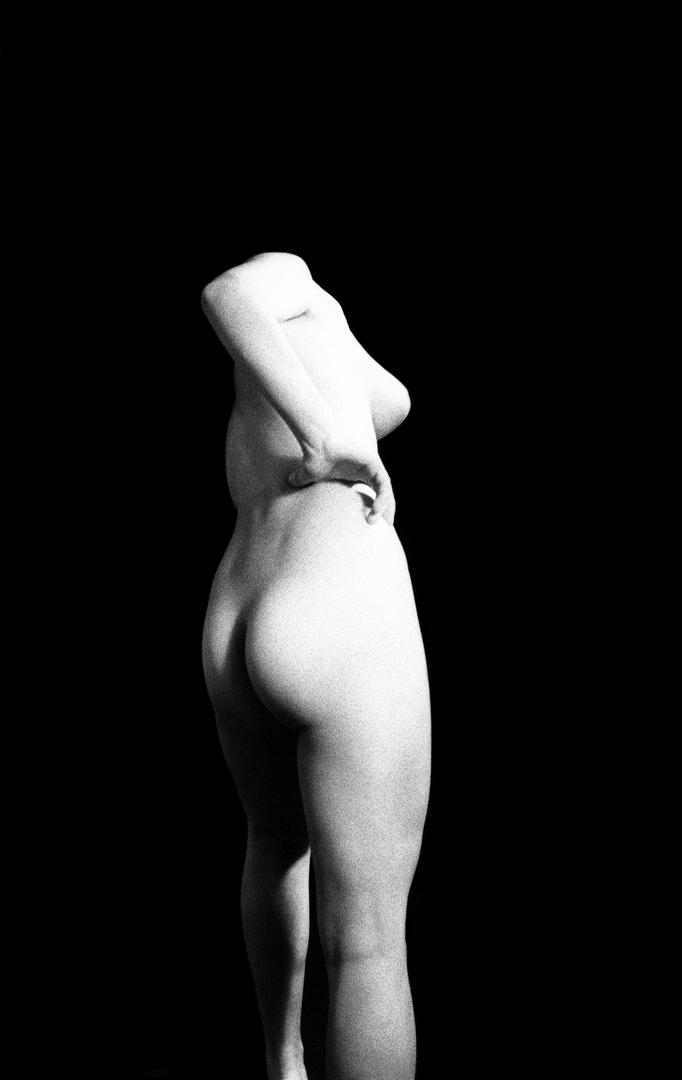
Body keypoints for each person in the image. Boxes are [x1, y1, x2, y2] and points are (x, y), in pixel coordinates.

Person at [200, 251, 431, 1080]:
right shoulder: (287, 271)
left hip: (239, 607)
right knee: (369, 941)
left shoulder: (319, 334)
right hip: (335, 595)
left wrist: (337, 419)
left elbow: (386, 400)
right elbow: (227, 292)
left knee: (275, 845)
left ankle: (283, 1061)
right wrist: (326, 437)